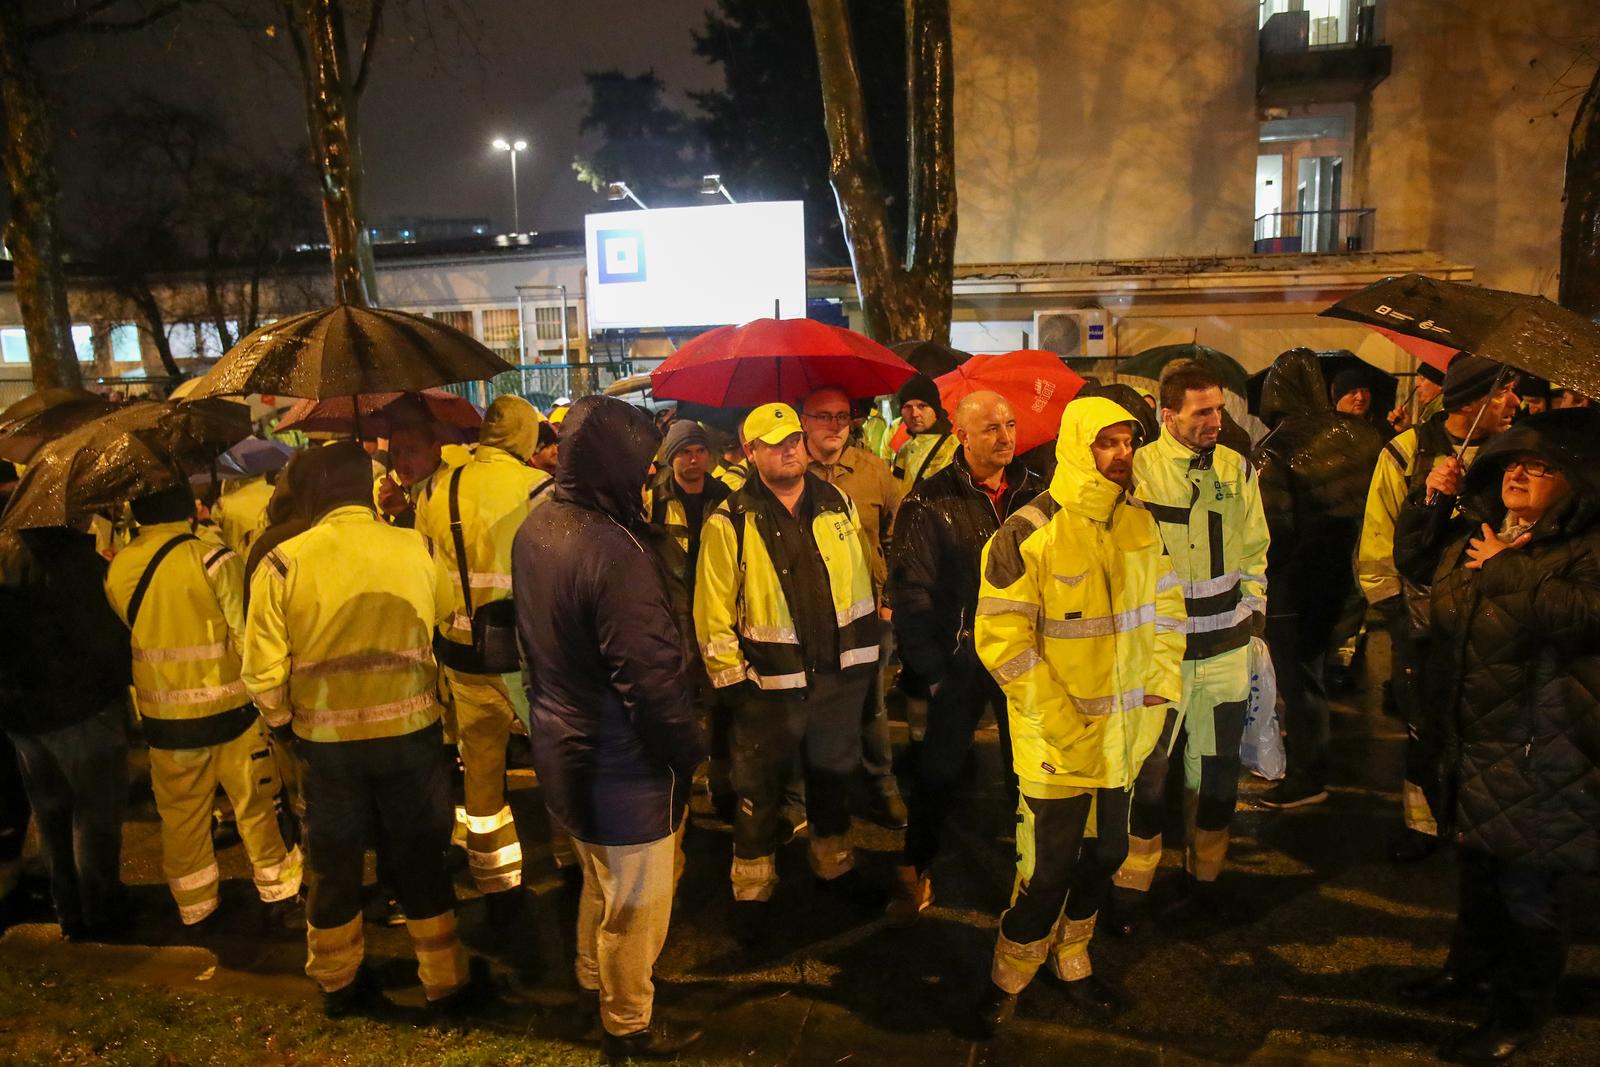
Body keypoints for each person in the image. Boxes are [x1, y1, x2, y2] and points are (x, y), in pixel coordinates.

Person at [243, 441, 492, 1017]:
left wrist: (283, 724)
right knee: (421, 858)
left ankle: (336, 980)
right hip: (412, 738)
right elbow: (445, 617)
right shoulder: (417, 546)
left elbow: (262, 672)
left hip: (326, 747)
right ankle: (445, 980)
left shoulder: (283, 562)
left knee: (333, 864)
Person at [972, 397, 1186, 1036]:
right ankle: (1008, 977)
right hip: (1056, 746)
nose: (1122, 454)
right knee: (1045, 874)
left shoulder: (1140, 522)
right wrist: (1061, 723)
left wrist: (1160, 687)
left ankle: (1073, 957)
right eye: (1107, 443)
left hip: (1122, 739)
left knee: (1108, 854)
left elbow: (1168, 610)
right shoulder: (1025, 533)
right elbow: (1002, 643)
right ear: (1076, 447)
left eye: (1128, 442)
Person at [1392, 407, 1600, 1062]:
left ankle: (1519, 1013)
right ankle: (1469, 972)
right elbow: (1420, 566)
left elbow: (1586, 615)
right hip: (1477, 735)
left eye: (1540, 468)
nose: (1519, 475)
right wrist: (1433, 501)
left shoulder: (1585, 547)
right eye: (1513, 463)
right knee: (1480, 871)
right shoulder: (1485, 531)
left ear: (1576, 483)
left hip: (1546, 745)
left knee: (1530, 891)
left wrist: (1509, 568)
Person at [513, 396, 708, 1061]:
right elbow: (649, 680)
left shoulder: (538, 527)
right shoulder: (615, 550)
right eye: (644, 465)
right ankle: (628, 1022)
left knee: (599, 882)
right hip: (621, 763)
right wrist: (687, 751)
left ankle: (591, 976)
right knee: (637, 905)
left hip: (562, 746)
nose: (651, 476)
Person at [694, 403, 882, 945]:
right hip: (767, 687)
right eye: (775, 443)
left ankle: (834, 867)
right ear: (750, 452)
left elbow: (858, 579)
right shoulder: (730, 519)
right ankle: (752, 890)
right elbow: (711, 610)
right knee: (758, 792)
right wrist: (732, 684)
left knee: (833, 779)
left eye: (794, 439)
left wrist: (862, 660)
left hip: (837, 677)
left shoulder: (838, 503)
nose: (790, 449)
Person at [1112, 362, 1269, 919]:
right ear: (1167, 415)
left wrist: (1251, 610)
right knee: (1148, 773)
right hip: (1161, 656)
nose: (1215, 420)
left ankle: (1206, 878)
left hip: (1225, 649)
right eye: (1202, 411)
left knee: (1218, 771)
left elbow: (1255, 546)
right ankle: (1132, 884)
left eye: (1219, 409)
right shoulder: (1139, 472)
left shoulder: (1236, 467)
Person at [105, 485, 301, 927]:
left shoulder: (120, 568)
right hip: (231, 715)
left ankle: (196, 907)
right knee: (256, 806)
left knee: (181, 817)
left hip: (163, 719)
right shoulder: (214, 559)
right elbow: (246, 636)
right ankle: (279, 894)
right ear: (187, 511)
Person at [884, 390, 1045, 926]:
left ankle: (1033, 872)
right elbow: (911, 591)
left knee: (1029, 768)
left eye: (1010, 424)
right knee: (940, 769)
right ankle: (917, 865)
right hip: (963, 658)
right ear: (962, 435)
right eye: (991, 428)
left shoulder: (1037, 491)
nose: (1005, 437)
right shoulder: (928, 501)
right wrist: (932, 670)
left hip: (1025, 652)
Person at [1356, 354, 1518, 863]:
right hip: (1421, 613)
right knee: (1423, 723)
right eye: (1503, 391)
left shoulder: (1517, 453)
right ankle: (1422, 822)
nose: (1515, 401)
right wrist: (1391, 604)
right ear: (1469, 402)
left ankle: (1474, 821)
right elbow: (1379, 530)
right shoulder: (1408, 450)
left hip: (1493, 614)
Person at [416, 395, 553, 914]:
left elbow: (425, 570)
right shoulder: (540, 488)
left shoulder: (437, 487)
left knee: (480, 767)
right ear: (525, 436)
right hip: (527, 654)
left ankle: (494, 878)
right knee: (556, 757)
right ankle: (568, 856)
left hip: (461, 654)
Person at [1252, 349, 1384, 808]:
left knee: (1300, 682)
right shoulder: (1363, 436)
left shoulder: (1275, 450)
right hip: (1349, 578)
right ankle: (1325, 762)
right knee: (1321, 674)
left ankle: (1308, 777)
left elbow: (1272, 533)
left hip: (1295, 587)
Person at [0, 524, 132, 941]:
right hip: (81, 707)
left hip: (23, 715)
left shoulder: (6, 556)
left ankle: (67, 907)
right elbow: (104, 639)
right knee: (94, 814)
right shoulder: (76, 564)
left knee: (50, 813)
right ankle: (100, 909)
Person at [801, 386, 906, 830]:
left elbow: (899, 538)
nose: (835, 426)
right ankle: (808, 793)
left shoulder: (873, 471)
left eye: (842, 416)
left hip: (866, 613)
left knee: (871, 702)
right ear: (804, 421)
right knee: (806, 703)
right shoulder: (789, 470)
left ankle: (880, 782)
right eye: (823, 416)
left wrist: (889, 604)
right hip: (807, 616)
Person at [642, 419, 732, 816]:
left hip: (716, 616)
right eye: (684, 452)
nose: (693, 459)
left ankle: (721, 784)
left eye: (699, 451)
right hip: (671, 621)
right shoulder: (653, 501)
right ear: (670, 457)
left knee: (721, 706)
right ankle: (677, 792)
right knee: (676, 707)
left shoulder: (726, 498)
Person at [892, 374, 958, 490]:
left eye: (922, 406)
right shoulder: (904, 450)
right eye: (908, 407)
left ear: (935, 410)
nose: (914, 414)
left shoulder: (956, 449)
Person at [375, 420, 445, 528]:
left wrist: (402, 512)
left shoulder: (453, 491)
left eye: (412, 451)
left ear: (436, 451)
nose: (401, 462)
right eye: (395, 453)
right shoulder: (387, 487)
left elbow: (434, 538)